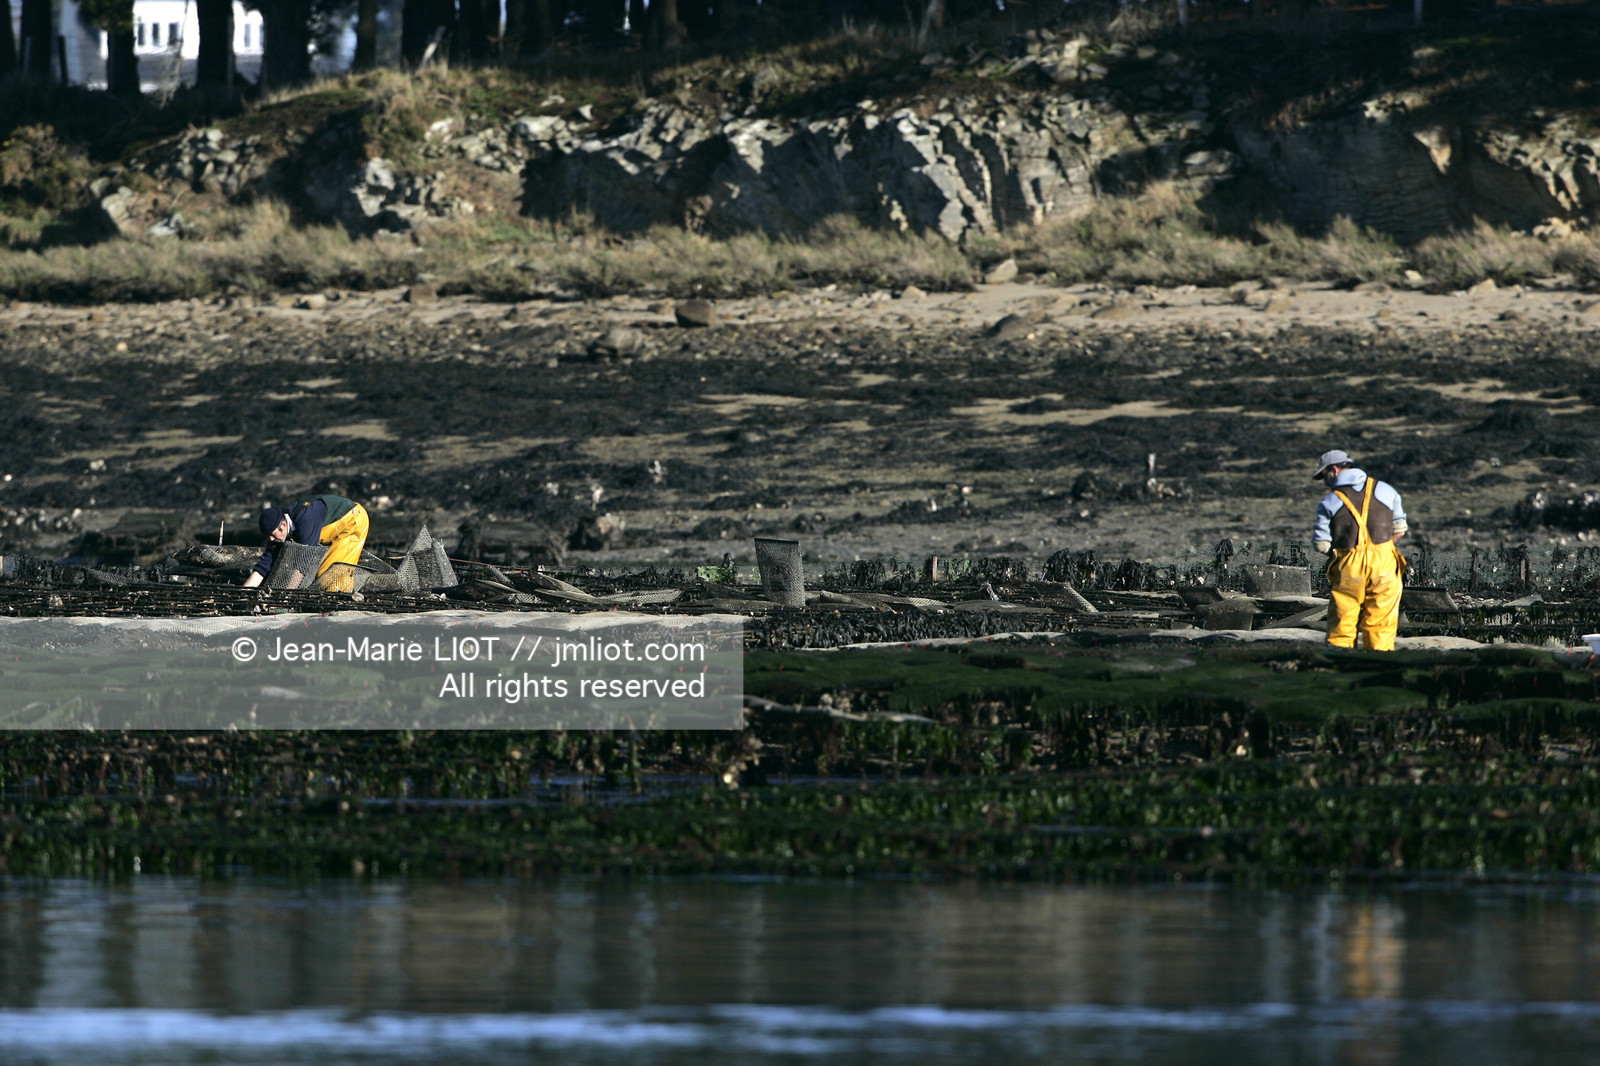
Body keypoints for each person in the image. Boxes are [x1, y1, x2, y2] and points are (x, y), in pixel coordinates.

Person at [1311, 450, 1408, 651]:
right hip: (1385, 561)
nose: (1324, 482)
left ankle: (1340, 664)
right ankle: (1379, 664)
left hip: (1349, 564)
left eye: (1324, 476)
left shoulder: (1329, 501)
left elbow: (1321, 544)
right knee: (1381, 622)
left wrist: (1340, 555)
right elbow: (1400, 528)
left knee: (1342, 621)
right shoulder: (1386, 490)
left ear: (1334, 470)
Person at [243, 493, 370, 591]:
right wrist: (245, 591)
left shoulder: (306, 521)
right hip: (331, 531)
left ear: (282, 525)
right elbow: (263, 567)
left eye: (272, 534)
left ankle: (338, 605)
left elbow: (303, 565)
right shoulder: (282, 532)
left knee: (332, 575)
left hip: (353, 521)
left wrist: (286, 596)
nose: (270, 539)